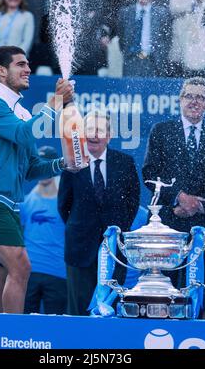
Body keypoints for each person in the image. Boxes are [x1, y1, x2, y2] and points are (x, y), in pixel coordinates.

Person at [0, 45, 75, 316]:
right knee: (22, 267)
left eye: (28, 64)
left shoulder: (24, 113)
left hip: (8, 205)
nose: (28, 69)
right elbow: (25, 135)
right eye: (20, 64)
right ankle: (13, 339)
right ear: (2, 71)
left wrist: (64, 164)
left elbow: (31, 168)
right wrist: (55, 103)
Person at [143, 77, 205, 288]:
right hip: (165, 223)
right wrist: (179, 198)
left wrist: (196, 206)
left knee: (194, 291)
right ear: (180, 99)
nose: (194, 101)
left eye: (200, 97)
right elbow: (150, 174)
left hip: (200, 225)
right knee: (162, 290)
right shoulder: (161, 131)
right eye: (189, 96)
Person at [58, 108, 140, 315]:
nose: (94, 134)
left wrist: (116, 231)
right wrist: (81, 227)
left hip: (114, 249)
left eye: (100, 130)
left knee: (110, 309)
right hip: (79, 249)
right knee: (79, 311)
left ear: (109, 136)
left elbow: (132, 203)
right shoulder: (72, 162)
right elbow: (64, 206)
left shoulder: (125, 163)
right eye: (90, 129)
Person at [20, 145, 67, 315]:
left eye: (47, 164)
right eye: (39, 164)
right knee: (25, 328)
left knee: (55, 331)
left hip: (58, 273)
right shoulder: (26, 201)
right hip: (28, 273)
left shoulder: (65, 201)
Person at [116, 0, 171, 77]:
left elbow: (166, 40)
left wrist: (160, 56)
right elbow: (122, 39)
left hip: (154, 61)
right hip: (131, 60)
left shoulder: (161, 14)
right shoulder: (125, 13)